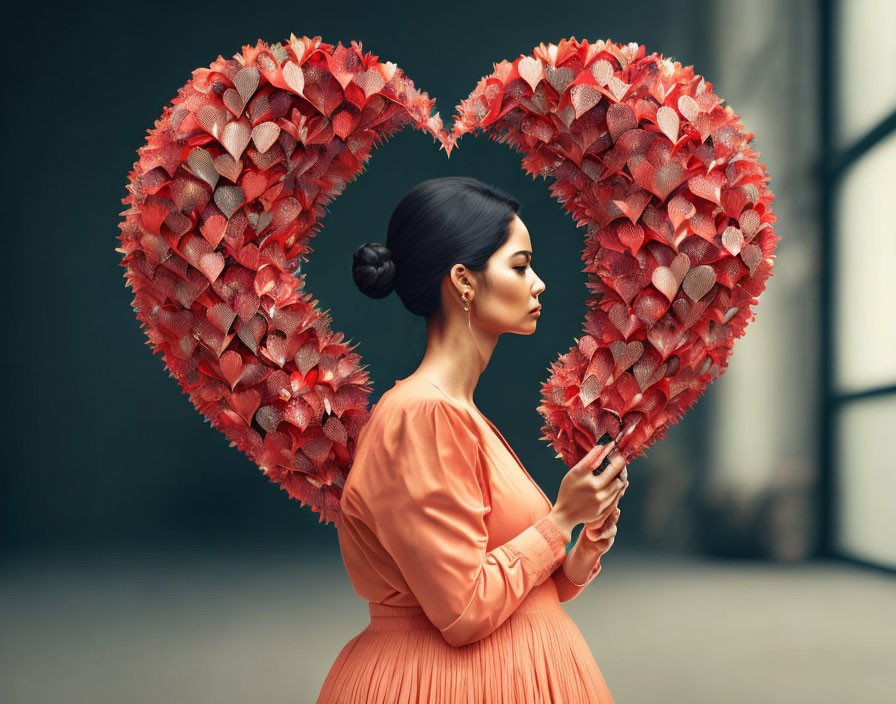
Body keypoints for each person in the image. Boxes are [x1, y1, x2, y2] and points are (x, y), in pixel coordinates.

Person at [316, 176, 629, 703]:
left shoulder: (457, 412)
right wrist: (561, 519)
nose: (539, 284)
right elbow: (463, 610)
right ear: (464, 281)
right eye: (521, 265)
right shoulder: (423, 417)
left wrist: (584, 539)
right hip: (444, 684)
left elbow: (515, 585)